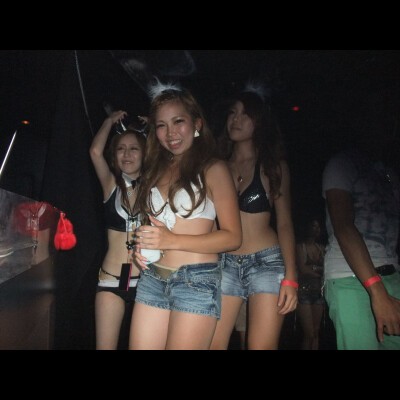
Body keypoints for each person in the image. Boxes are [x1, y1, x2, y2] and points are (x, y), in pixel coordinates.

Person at [131, 85, 242, 350]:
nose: (170, 133)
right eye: (161, 125)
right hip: (153, 278)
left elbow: (233, 237)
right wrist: (142, 246)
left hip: (196, 282)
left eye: (178, 121)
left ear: (197, 123)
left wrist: (171, 240)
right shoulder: (155, 169)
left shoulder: (214, 168)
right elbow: (155, 225)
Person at [210, 88, 298, 350]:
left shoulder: (273, 166)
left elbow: (285, 223)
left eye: (245, 114)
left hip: (266, 263)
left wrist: (291, 277)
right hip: (224, 263)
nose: (236, 119)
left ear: (259, 122)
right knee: (211, 344)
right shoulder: (215, 166)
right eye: (232, 113)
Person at [322, 107, 400, 350]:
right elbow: (344, 226)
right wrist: (377, 290)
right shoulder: (342, 164)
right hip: (349, 276)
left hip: (393, 273)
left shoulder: (389, 173)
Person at [89, 110, 146, 350]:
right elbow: (95, 152)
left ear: (145, 153)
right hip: (111, 281)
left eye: (134, 148)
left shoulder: (154, 186)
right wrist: (109, 121)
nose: (127, 154)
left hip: (147, 283)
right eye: (121, 149)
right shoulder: (110, 184)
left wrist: (157, 128)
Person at [296, 217, 325, 350]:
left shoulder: (322, 248)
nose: (317, 229)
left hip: (319, 291)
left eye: (318, 227)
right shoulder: (300, 247)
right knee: (309, 333)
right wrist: (319, 272)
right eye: (314, 226)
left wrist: (313, 269)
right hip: (304, 291)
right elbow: (303, 269)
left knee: (316, 332)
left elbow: (326, 268)